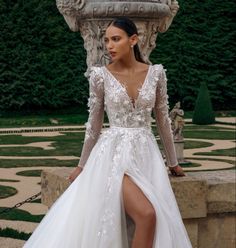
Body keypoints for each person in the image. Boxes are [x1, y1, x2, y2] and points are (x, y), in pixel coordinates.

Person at [23, 17, 192, 248]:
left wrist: (173, 162)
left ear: (133, 40)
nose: (109, 46)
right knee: (147, 214)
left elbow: (163, 120)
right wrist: (82, 166)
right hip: (113, 157)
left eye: (116, 39)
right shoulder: (100, 76)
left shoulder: (156, 74)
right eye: (106, 40)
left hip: (146, 157)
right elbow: (93, 125)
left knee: (156, 218)